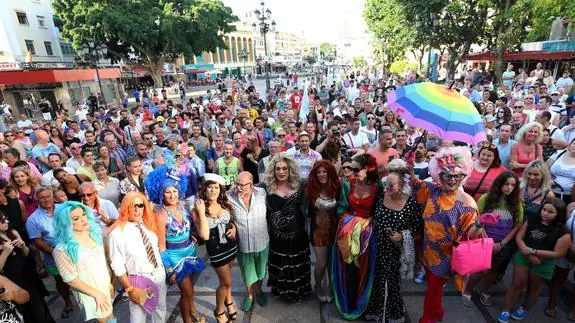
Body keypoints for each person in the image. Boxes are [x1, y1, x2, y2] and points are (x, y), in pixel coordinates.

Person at [409, 147, 485, 323]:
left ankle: (427, 319)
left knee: (433, 290)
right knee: (433, 288)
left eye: (457, 176)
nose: (452, 180)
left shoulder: (467, 204)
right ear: (439, 175)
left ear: (463, 176)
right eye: (447, 175)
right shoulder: (434, 190)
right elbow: (414, 182)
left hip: (446, 257)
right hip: (427, 250)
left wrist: (481, 224)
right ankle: (438, 312)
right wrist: (410, 164)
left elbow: (470, 236)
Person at [145, 166, 205, 323]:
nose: (172, 195)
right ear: (161, 194)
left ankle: (189, 316)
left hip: (191, 253)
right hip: (175, 259)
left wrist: (192, 235)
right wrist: (170, 270)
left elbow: (189, 227)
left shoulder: (183, 207)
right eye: (167, 192)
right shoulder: (160, 215)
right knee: (188, 291)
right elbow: (161, 247)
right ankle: (190, 315)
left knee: (188, 293)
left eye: (174, 191)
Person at [497, 197, 571, 323]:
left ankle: (524, 308)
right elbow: (520, 237)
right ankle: (506, 309)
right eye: (544, 210)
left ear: (559, 214)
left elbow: (558, 253)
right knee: (517, 283)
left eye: (550, 212)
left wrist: (534, 252)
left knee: (535, 286)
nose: (545, 214)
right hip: (524, 255)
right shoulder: (532, 219)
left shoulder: (563, 232)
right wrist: (527, 252)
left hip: (543, 262)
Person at [364, 159, 421, 322]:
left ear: (402, 184)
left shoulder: (410, 203)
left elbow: (417, 228)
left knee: (391, 282)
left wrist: (403, 235)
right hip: (377, 246)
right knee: (378, 280)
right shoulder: (382, 196)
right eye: (386, 184)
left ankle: (392, 313)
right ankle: (376, 311)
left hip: (396, 250)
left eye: (392, 185)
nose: (387, 187)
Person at [462, 171, 524, 307]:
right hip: (484, 241)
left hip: (503, 244)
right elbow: (478, 218)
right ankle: (467, 291)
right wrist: (487, 239)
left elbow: (517, 225)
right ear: (499, 183)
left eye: (513, 185)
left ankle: (484, 291)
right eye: (506, 184)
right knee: (479, 270)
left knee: (494, 270)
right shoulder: (486, 198)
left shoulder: (516, 203)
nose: (509, 187)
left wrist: (503, 243)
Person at [107, 192, 167, 323]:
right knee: (138, 317)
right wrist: (129, 289)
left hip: (159, 273)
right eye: (132, 206)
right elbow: (118, 266)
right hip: (139, 278)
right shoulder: (117, 233)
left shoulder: (148, 224)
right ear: (124, 207)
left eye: (140, 205)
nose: (136, 209)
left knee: (160, 309)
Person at [332, 153, 379, 320]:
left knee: (364, 270)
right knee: (348, 268)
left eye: (356, 169)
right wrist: (351, 221)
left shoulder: (376, 187)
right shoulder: (347, 184)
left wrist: (368, 222)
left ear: (368, 169)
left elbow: (378, 211)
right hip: (347, 233)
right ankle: (349, 302)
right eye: (350, 169)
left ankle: (363, 303)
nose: (352, 172)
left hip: (367, 235)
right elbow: (341, 208)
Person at [52, 201, 114, 322]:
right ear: (66, 223)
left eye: (83, 215)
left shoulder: (96, 235)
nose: (82, 220)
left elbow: (104, 262)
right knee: (105, 320)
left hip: (105, 286)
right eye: (76, 218)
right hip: (90, 294)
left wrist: (110, 282)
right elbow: (70, 279)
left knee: (110, 317)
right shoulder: (62, 249)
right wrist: (97, 294)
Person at [264, 154, 311, 302]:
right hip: (277, 237)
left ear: (290, 170)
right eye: (278, 169)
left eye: (284, 168)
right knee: (281, 266)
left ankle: (299, 291)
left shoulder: (301, 186)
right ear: (273, 171)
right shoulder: (267, 188)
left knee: (298, 265)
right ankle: (283, 292)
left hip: (298, 236)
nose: (281, 172)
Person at [195, 173, 239, 323]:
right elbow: (205, 236)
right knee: (225, 282)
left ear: (220, 190)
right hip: (216, 250)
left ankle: (230, 301)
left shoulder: (225, 203)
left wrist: (233, 228)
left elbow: (231, 220)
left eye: (216, 187)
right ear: (205, 189)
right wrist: (201, 213)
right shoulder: (200, 207)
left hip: (231, 246)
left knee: (228, 279)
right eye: (209, 187)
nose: (213, 190)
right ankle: (219, 311)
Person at [26, 187, 75, 318]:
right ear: (37, 199)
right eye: (42, 198)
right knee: (61, 281)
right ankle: (68, 302)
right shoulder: (33, 219)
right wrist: (57, 253)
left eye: (48, 196)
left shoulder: (64, 207)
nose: (46, 200)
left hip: (76, 250)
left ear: (53, 196)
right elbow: (38, 241)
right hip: (55, 256)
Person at [0, 210, 54, 323]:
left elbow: (27, 255)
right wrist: (5, 253)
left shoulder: (12, 232)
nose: (7, 221)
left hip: (27, 276)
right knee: (27, 314)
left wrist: (23, 247)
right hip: (12, 282)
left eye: (6, 218)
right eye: (2, 220)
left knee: (41, 311)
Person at [227, 172, 269, 312]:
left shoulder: (262, 193)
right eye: (237, 184)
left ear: (251, 184)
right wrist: (231, 226)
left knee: (261, 271)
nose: (238, 188)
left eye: (242, 185)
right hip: (243, 244)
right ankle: (250, 295)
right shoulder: (230, 197)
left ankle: (259, 290)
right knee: (247, 272)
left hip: (262, 242)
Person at [304, 160, 339, 302]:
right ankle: (318, 285)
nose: (321, 174)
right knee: (322, 263)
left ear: (329, 172)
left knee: (332, 262)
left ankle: (330, 286)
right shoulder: (310, 188)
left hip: (335, 229)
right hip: (318, 231)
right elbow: (302, 209)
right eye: (318, 172)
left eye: (324, 171)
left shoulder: (338, 186)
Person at [546, 138, 575, 204]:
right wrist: (549, 180)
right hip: (550, 192)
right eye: (574, 144)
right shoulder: (559, 153)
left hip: (570, 196)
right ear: (570, 144)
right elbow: (545, 167)